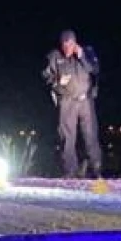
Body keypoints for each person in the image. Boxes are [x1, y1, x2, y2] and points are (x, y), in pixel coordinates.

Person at [42, 29, 103, 179]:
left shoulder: (87, 52)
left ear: (75, 43)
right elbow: (46, 76)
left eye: (69, 45)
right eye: (64, 45)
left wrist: (82, 56)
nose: (67, 48)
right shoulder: (55, 56)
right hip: (67, 101)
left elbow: (94, 69)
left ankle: (96, 169)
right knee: (67, 138)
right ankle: (69, 171)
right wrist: (57, 82)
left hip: (85, 101)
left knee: (90, 135)